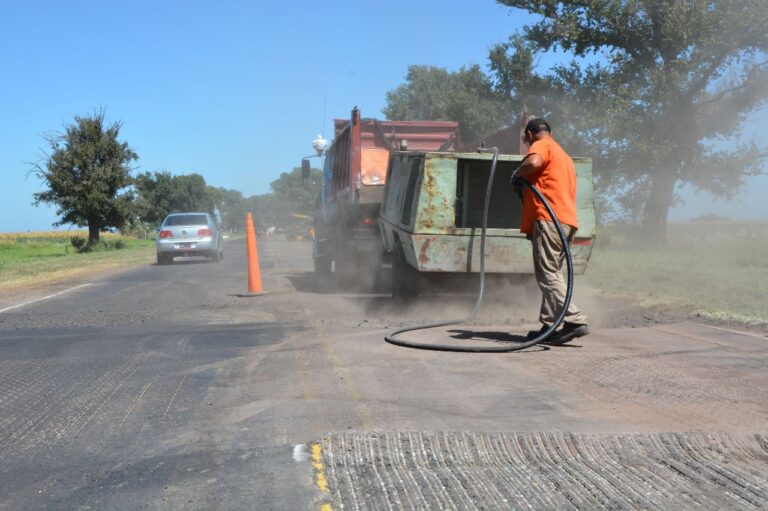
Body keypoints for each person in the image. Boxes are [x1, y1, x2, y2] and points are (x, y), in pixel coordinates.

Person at [514, 118, 589, 344]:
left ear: (529, 134)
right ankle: (550, 325)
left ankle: (574, 319)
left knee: (546, 274)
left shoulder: (541, 145)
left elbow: (534, 162)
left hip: (549, 219)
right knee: (553, 272)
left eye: (525, 139)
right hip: (566, 221)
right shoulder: (563, 155)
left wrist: (517, 173)